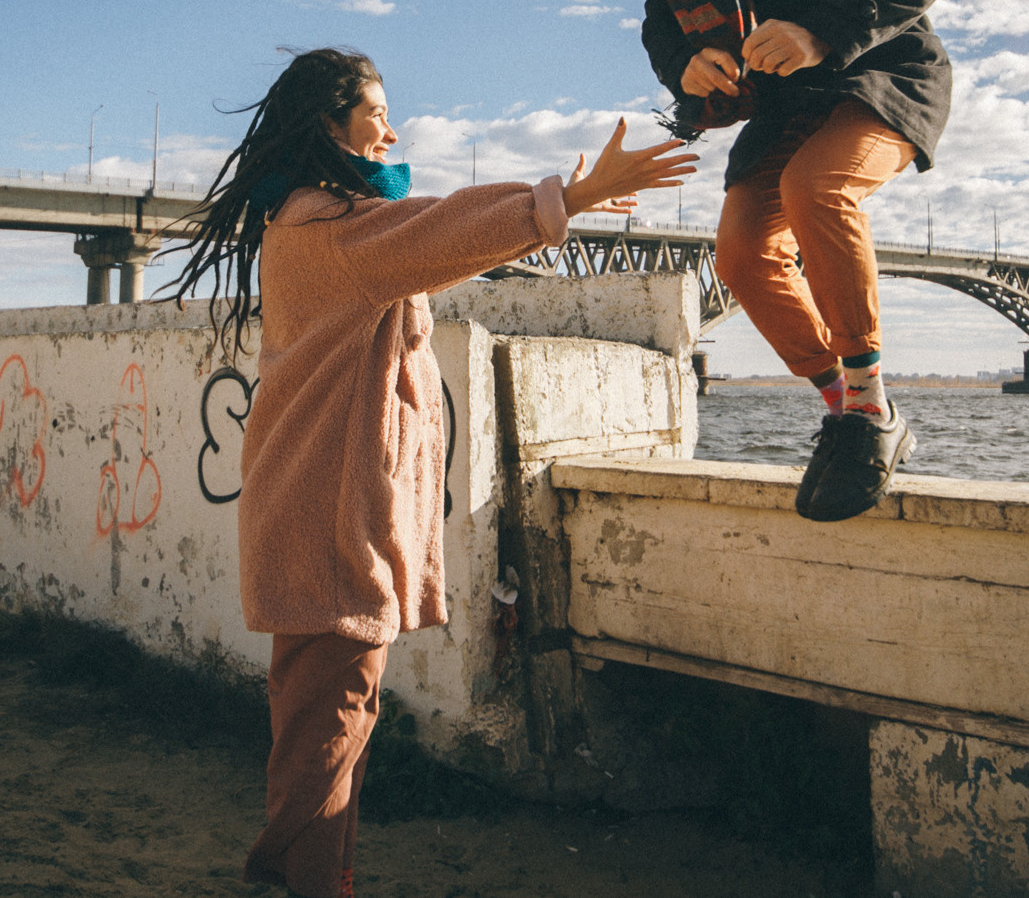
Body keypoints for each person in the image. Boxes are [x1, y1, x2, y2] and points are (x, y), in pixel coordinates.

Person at [161, 48, 694, 898]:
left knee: (322, 719)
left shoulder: (309, 224)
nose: (393, 129)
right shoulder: (335, 230)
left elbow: (422, 235)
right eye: (377, 114)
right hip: (332, 520)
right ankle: (293, 880)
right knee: (332, 724)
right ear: (330, 128)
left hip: (307, 507)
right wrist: (570, 197)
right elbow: (446, 230)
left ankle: (307, 877)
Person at [639, 0, 951, 523]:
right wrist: (688, 66)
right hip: (785, 97)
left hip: (878, 71)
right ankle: (853, 415)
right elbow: (659, 18)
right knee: (741, 255)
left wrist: (820, 33)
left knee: (819, 187)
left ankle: (868, 406)